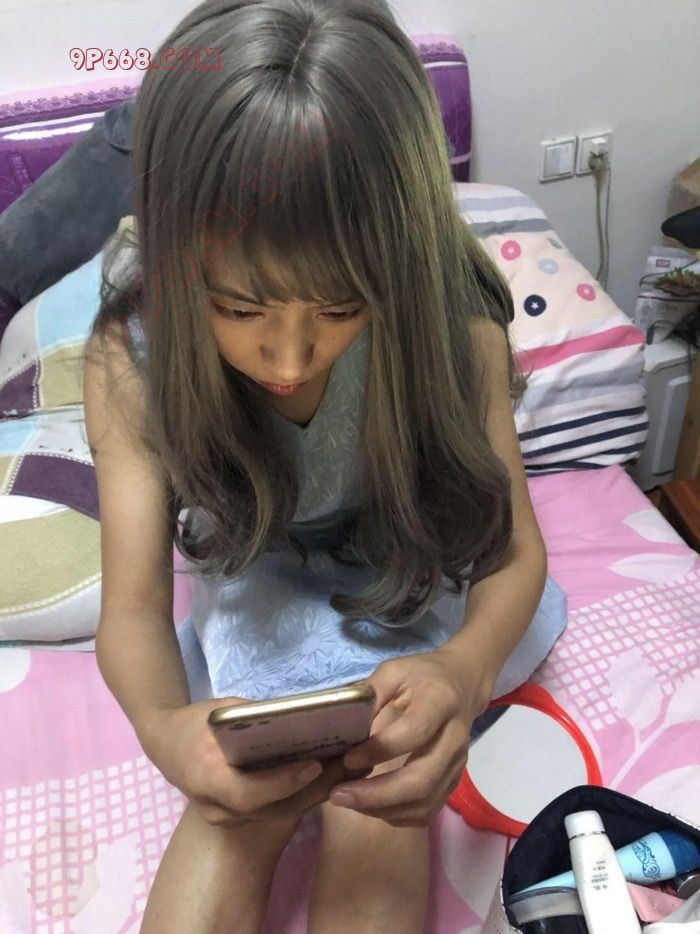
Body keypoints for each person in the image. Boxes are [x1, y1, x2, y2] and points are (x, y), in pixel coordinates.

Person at [82, 1, 568, 931]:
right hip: (259, 572)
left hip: (408, 561)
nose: (292, 358)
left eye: (343, 309)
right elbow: (133, 611)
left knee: (382, 794)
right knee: (233, 804)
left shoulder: (452, 323)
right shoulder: (133, 356)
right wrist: (166, 731)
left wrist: (464, 672)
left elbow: (511, 554)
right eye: (239, 308)